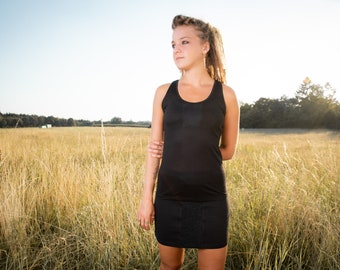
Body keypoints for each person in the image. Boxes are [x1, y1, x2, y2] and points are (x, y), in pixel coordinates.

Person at [137, 14, 239, 270]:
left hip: (211, 199)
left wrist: (195, 152)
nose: (176, 50)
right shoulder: (163, 92)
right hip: (169, 198)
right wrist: (146, 198)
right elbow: (154, 149)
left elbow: (227, 151)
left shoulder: (226, 95)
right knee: (169, 266)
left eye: (184, 42)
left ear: (205, 46)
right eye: (173, 45)